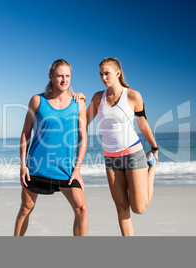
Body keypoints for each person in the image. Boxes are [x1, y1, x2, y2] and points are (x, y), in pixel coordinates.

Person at [74, 57, 158, 236]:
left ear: (118, 73)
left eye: (107, 73)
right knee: (121, 208)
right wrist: (79, 101)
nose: (103, 77)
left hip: (134, 155)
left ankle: (152, 169)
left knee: (139, 208)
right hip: (111, 158)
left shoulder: (133, 96)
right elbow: (83, 121)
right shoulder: (98, 98)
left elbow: (143, 124)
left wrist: (154, 147)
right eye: (100, 74)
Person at [14, 59, 88, 236]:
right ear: (51, 77)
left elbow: (83, 137)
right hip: (37, 168)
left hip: (66, 169)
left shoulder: (79, 102)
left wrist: (77, 169)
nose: (64, 80)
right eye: (60, 76)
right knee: (26, 208)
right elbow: (25, 133)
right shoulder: (37, 100)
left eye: (68, 76)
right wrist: (23, 166)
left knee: (82, 209)